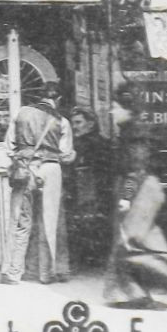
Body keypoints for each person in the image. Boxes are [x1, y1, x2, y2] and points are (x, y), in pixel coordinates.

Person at [104, 130, 167, 309]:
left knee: (133, 256)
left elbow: (128, 199)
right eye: (138, 150)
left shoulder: (140, 177)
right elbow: (126, 198)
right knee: (134, 256)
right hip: (134, 224)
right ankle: (136, 293)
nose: (141, 153)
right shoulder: (135, 178)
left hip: (135, 224)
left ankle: (135, 293)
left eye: (143, 150)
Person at [0, 81, 76, 285]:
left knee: (20, 221)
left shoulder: (20, 113)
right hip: (51, 169)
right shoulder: (62, 121)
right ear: (57, 99)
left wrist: (22, 155)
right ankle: (47, 273)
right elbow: (65, 154)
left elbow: (8, 146)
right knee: (50, 221)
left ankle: (13, 272)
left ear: (40, 96)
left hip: (25, 169)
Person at [66, 107, 115, 271]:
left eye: (78, 122)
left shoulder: (85, 143)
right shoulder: (102, 141)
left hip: (92, 191)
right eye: (73, 123)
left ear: (91, 124)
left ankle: (88, 260)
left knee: (87, 223)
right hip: (100, 191)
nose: (75, 127)